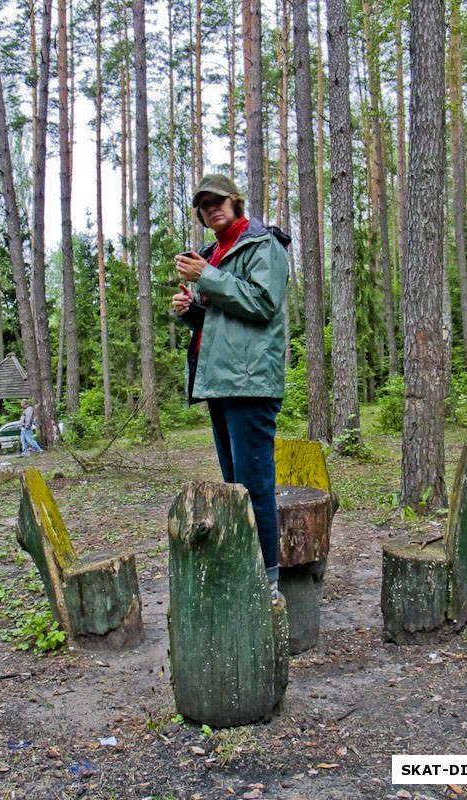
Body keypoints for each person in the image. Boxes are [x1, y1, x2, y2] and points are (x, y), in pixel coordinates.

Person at [172, 174, 290, 604]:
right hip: (221, 381)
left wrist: (207, 278)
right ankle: (247, 568)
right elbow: (223, 321)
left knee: (255, 485)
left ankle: (269, 582)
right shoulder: (215, 254)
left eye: (217, 201)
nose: (212, 209)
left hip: (251, 382)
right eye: (204, 206)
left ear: (235, 202)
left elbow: (262, 304)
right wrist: (192, 311)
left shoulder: (263, 246)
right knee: (233, 487)